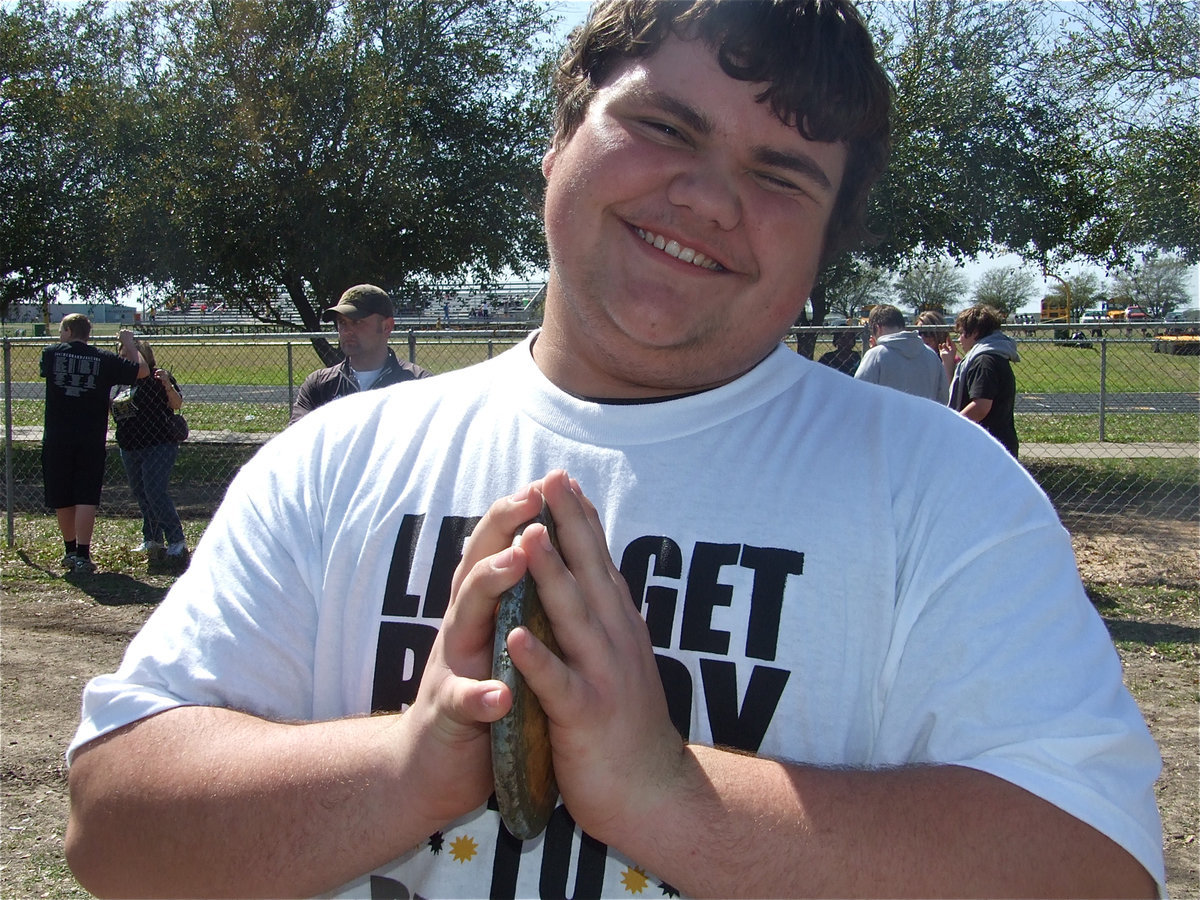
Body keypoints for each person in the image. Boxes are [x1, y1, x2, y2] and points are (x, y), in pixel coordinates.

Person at [65, 2, 1164, 898]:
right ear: (558, 140)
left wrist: (668, 796)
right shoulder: (336, 459)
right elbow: (113, 831)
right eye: (665, 128)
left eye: (781, 175)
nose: (707, 197)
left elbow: (1095, 870)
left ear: (827, 242)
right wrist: (411, 766)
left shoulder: (944, 491)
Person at [40, 315, 147, 574]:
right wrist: (129, 343)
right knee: (86, 496)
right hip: (91, 436)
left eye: (61, 330)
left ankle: (69, 551)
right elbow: (141, 370)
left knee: (62, 495)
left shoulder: (51, 353)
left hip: (57, 436)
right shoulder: (103, 358)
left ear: (68, 330)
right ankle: (83, 555)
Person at [289, 284, 432, 423]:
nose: (346, 331)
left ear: (386, 326)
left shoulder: (420, 385)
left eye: (357, 322)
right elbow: (297, 436)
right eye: (342, 322)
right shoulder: (319, 385)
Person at [111, 340, 189, 565]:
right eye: (122, 354)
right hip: (130, 445)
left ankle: (177, 541)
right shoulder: (121, 381)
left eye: (129, 353)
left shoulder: (157, 376)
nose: (124, 358)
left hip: (159, 444)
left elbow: (176, 404)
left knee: (155, 491)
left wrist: (168, 385)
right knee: (141, 492)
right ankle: (153, 539)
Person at [946, 304, 1021, 457]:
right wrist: (948, 362)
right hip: (994, 445)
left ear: (975, 332)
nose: (959, 339)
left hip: (988, 448)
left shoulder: (984, 361)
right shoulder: (993, 356)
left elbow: (980, 406)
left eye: (962, 333)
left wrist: (951, 427)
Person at [854, 303, 948, 402]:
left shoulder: (876, 355)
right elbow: (943, 398)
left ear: (877, 328)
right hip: (925, 412)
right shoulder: (931, 355)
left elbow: (858, 394)